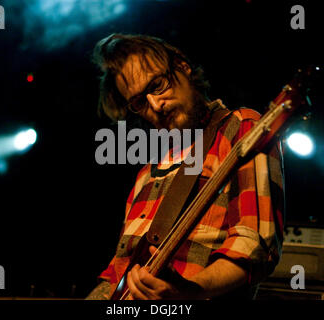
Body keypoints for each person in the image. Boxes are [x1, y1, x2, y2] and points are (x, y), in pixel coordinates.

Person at [86, 33, 285, 300]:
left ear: (182, 66)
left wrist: (186, 292)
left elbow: (253, 246)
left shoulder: (242, 129)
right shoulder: (147, 172)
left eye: (157, 85)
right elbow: (116, 273)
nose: (155, 105)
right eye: (140, 102)